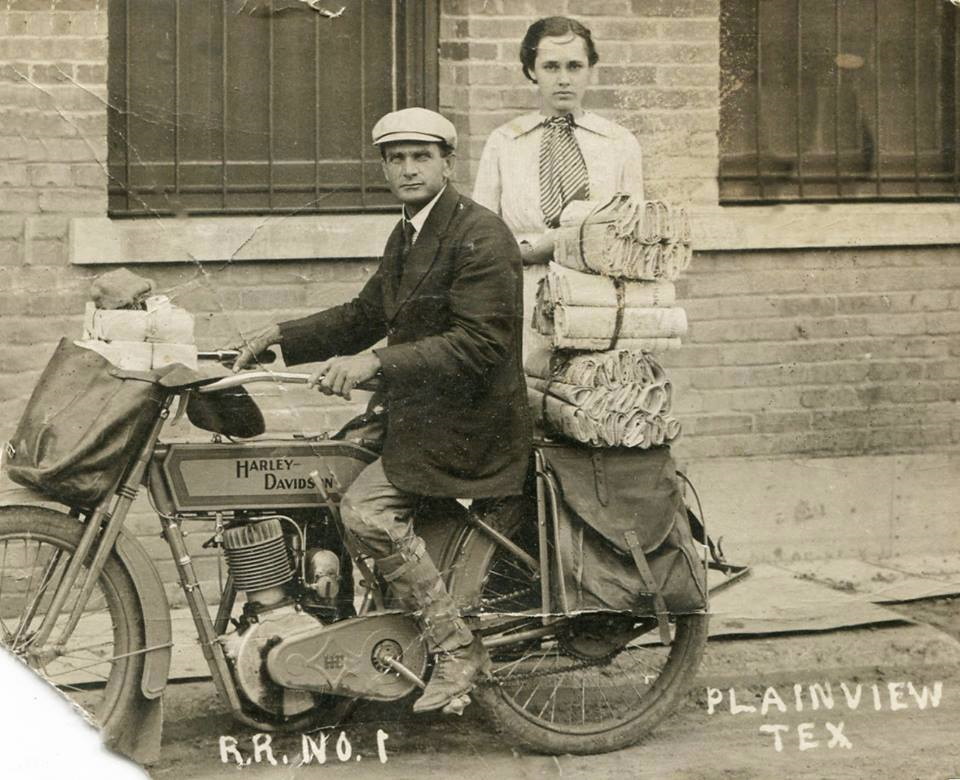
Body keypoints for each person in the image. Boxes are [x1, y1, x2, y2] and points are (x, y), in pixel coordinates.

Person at [233, 107, 531, 713]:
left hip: (470, 422)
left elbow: (481, 344)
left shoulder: (480, 234)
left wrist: (375, 364)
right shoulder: (410, 231)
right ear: (384, 168)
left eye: (422, 156)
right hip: (421, 410)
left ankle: (454, 649)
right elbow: (365, 314)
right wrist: (279, 335)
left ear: (449, 162)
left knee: (365, 511)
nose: (408, 168)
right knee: (318, 476)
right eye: (396, 158)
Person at [472, 15, 644, 267]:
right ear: (532, 70)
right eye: (551, 67)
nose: (564, 79)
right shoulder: (504, 142)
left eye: (574, 66)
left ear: (589, 70)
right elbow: (480, 232)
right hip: (521, 281)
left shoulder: (619, 142)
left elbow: (633, 228)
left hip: (595, 288)